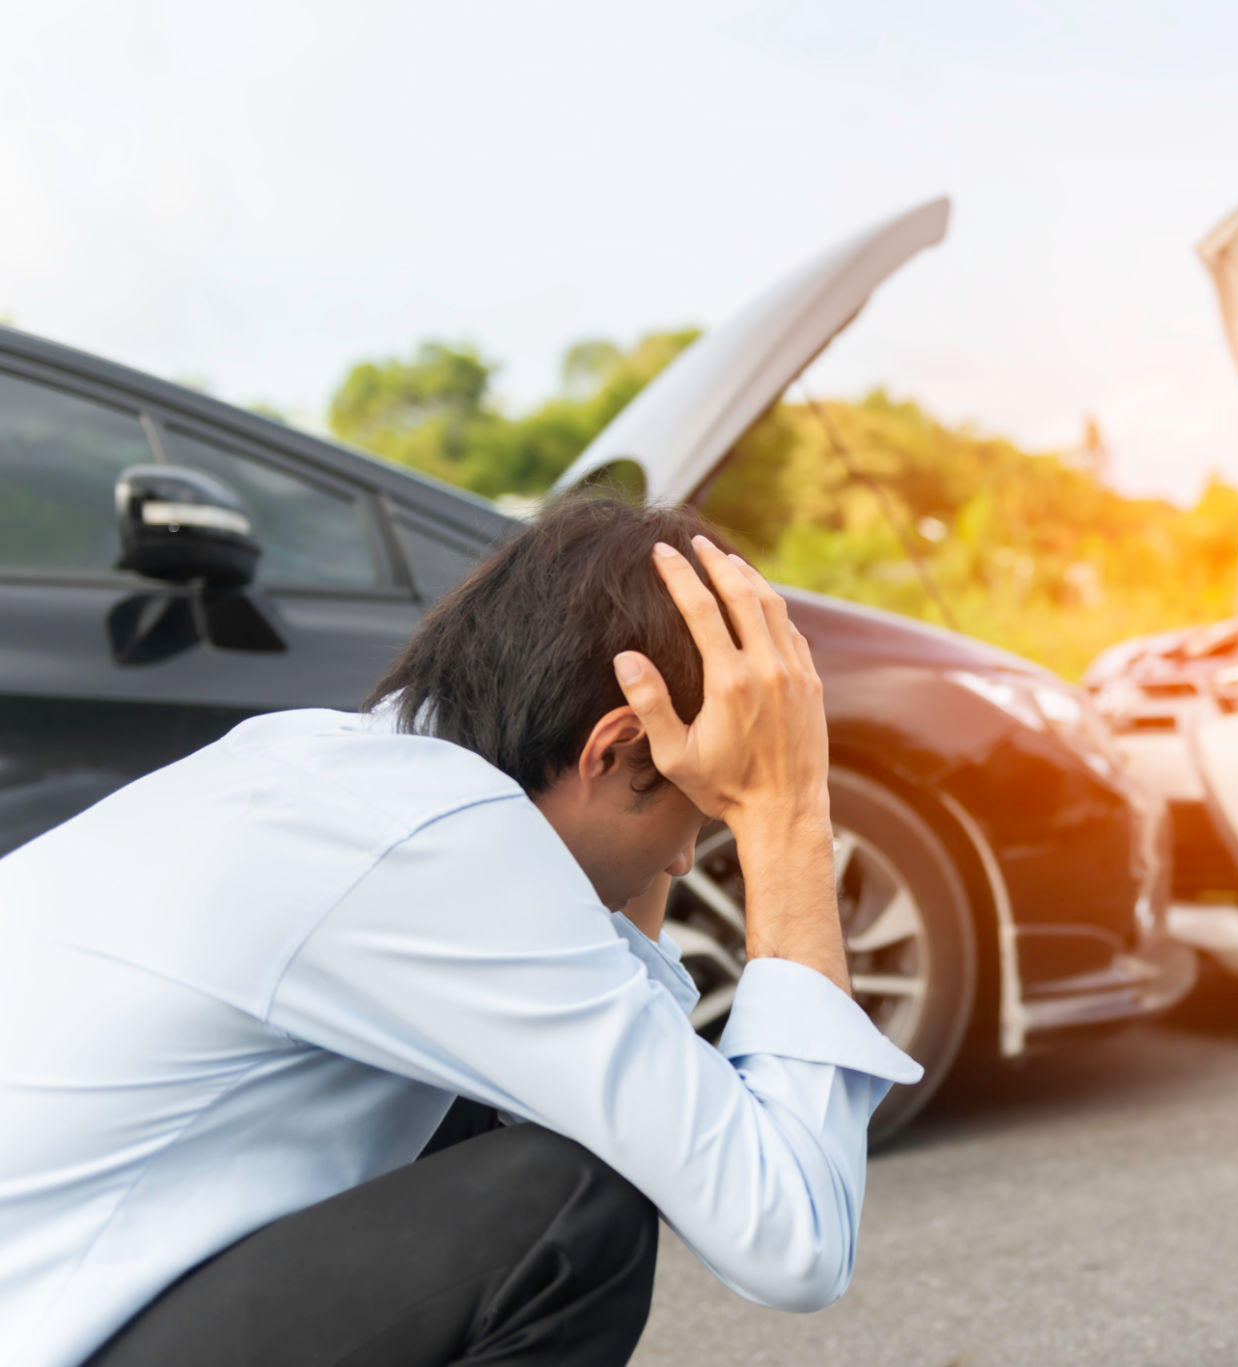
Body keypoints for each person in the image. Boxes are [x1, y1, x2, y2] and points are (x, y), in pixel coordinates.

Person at [0, 496, 920, 1367]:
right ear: (612, 748)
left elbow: (634, 1093)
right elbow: (794, 1233)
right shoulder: (442, 842)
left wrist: (649, 816)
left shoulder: (338, 771)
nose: (684, 862)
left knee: (499, 1117)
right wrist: (788, 810)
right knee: (565, 1214)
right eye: (701, 810)